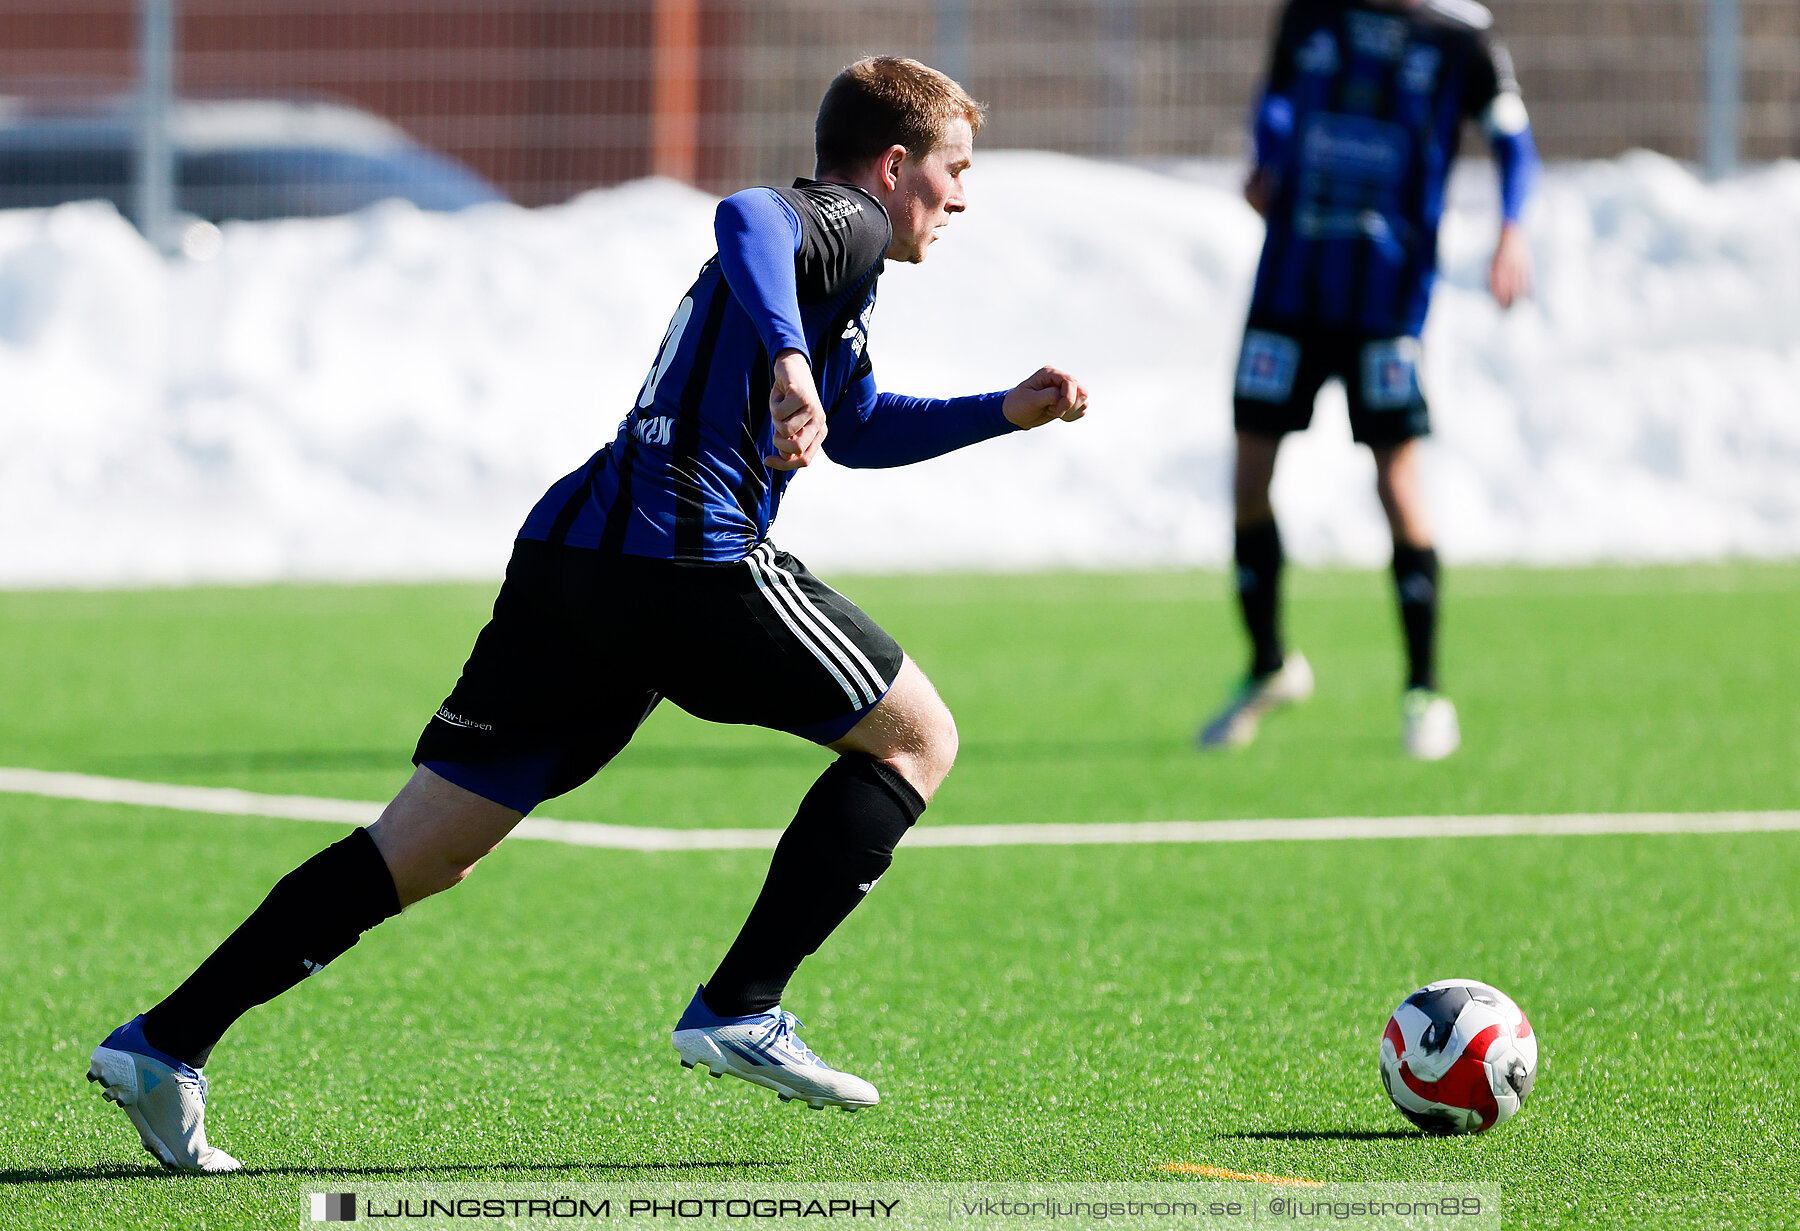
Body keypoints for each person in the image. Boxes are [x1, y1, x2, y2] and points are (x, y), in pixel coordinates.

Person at [87, 55, 1088, 1171]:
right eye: (954, 170)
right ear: (895, 164)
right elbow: (747, 214)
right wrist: (793, 363)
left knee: (421, 851)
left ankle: (166, 1043)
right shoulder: (841, 219)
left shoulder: (842, 271)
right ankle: (741, 1004)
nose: (963, 197)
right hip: (684, 561)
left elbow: (851, 427)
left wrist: (1003, 411)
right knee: (920, 736)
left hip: (574, 559)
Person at [1198, 0, 1539, 759]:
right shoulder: (1312, 14)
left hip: (1385, 302)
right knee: (1249, 475)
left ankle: (1424, 690)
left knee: (1398, 482)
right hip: (1290, 286)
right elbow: (1277, 101)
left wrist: (1513, 228)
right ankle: (1268, 665)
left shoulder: (1461, 36)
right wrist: (1268, 160)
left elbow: (1516, 143)